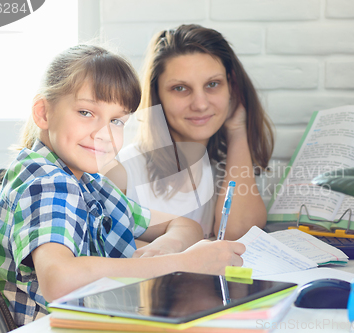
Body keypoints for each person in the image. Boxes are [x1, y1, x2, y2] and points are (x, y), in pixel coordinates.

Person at [0, 45, 245, 326]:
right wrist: (182, 263)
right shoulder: (48, 183)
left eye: (116, 120)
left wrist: (166, 247)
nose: (104, 134)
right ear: (43, 113)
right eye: (85, 112)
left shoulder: (91, 183)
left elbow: (185, 225)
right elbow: (59, 279)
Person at [104, 24, 275, 240]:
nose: (200, 104)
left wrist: (238, 130)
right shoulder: (122, 172)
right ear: (157, 95)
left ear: (231, 88)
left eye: (213, 84)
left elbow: (240, 234)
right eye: (180, 88)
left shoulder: (224, 167)